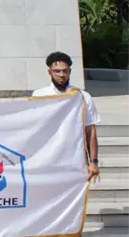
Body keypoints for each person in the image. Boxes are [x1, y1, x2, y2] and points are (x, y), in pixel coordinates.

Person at [32, 51, 101, 181]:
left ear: (70, 71)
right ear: (50, 72)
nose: (61, 75)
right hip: (47, 158)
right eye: (57, 71)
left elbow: (90, 130)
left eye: (65, 71)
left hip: (75, 159)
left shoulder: (83, 96)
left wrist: (93, 161)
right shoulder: (39, 95)